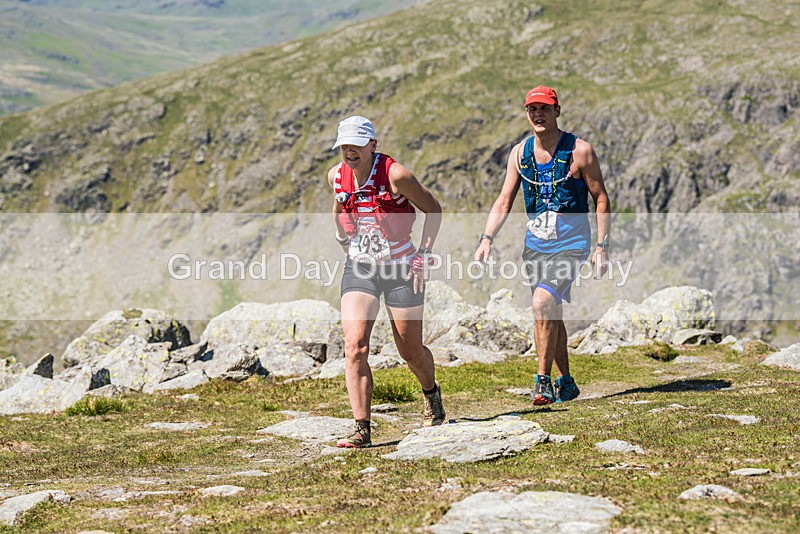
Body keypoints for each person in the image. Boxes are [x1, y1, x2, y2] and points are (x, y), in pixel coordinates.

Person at [474, 86, 610, 405]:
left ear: (557, 111)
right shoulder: (520, 154)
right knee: (549, 312)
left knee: (541, 303)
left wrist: (601, 246)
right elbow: (504, 199)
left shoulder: (580, 151)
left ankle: (542, 382)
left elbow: (600, 198)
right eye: (532, 109)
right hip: (535, 245)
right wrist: (486, 239)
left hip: (572, 243)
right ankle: (567, 382)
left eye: (544, 108)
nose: (538, 114)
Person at [327, 115, 446, 448]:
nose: (349, 152)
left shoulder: (396, 175)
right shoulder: (336, 175)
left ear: (372, 145)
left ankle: (431, 394)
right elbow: (338, 208)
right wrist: (344, 241)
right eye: (344, 145)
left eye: (356, 145)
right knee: (355, 346)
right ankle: (361, 429)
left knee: (409, 350)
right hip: (361, 268)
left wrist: (423, 254)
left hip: (401, 269)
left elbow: (433, 209)